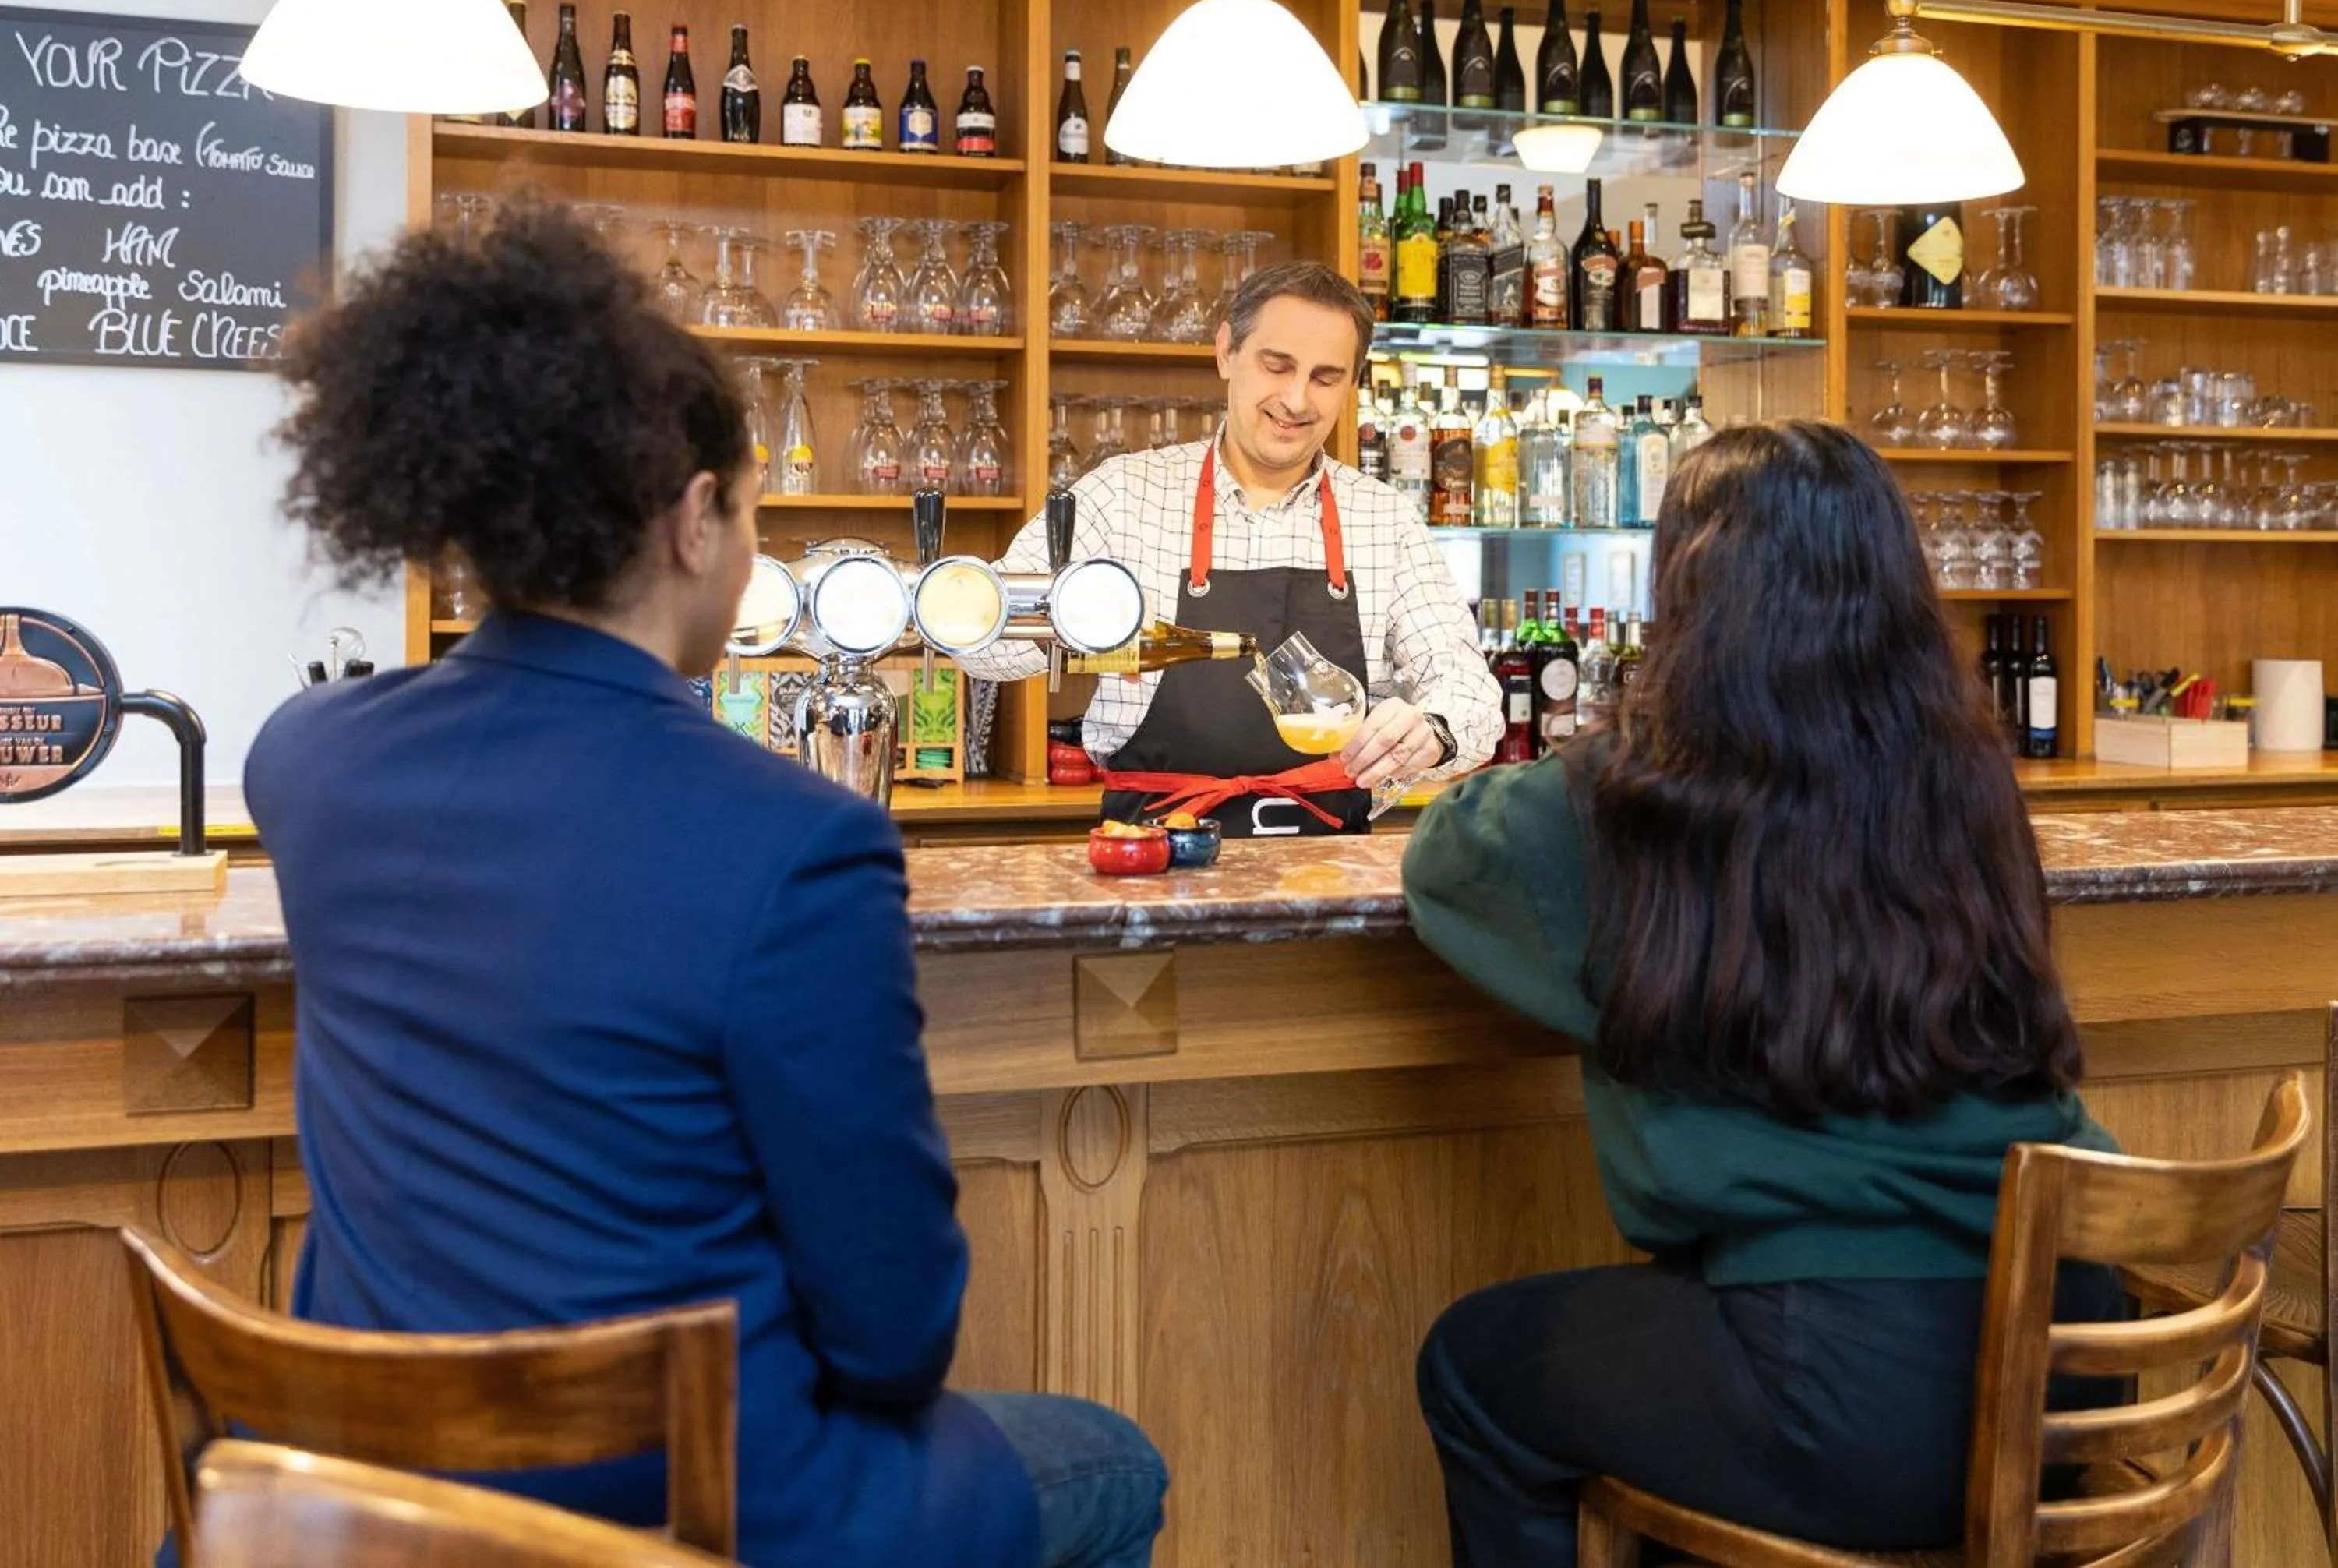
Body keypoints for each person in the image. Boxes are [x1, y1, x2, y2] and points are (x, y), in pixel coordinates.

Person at [245, 202, 1165, 1568]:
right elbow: (895, 1331)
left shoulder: (307, 763)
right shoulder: (797, 844)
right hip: (684, 1508)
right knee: (1111, 1461)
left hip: (367, 1490)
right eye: (749, 512)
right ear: (694, 521)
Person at [1401, 420, 2121, 1565]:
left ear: (1689, 593)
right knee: (1683, 1347)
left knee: (1475, 1364)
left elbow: (1450, 855)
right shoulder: (1966, 776)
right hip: (2076, 1358)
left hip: (1849, 1393)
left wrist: (1627, 727)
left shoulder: (1633, 805)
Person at [964, 261, 1499, 838]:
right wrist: (1079, 614)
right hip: (1153, 853)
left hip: (1326, 866)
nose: (1296, 399)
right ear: (1226, 352)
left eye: (1325, 377)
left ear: (1353, 383)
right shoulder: (1120, 496)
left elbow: (1470, 694)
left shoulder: (1382, 517)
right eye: (1277, 366)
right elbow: (982, 646)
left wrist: (1432, 728)